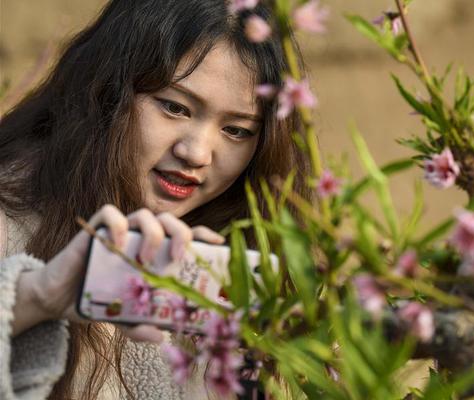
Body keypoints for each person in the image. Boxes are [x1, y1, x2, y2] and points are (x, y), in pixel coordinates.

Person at [0, 0, 312, 398]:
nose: (197, 153)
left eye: (237, 130)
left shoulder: (238, 257)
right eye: (175, 107)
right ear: (105, 91)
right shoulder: (9, 219)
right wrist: (36, 297)